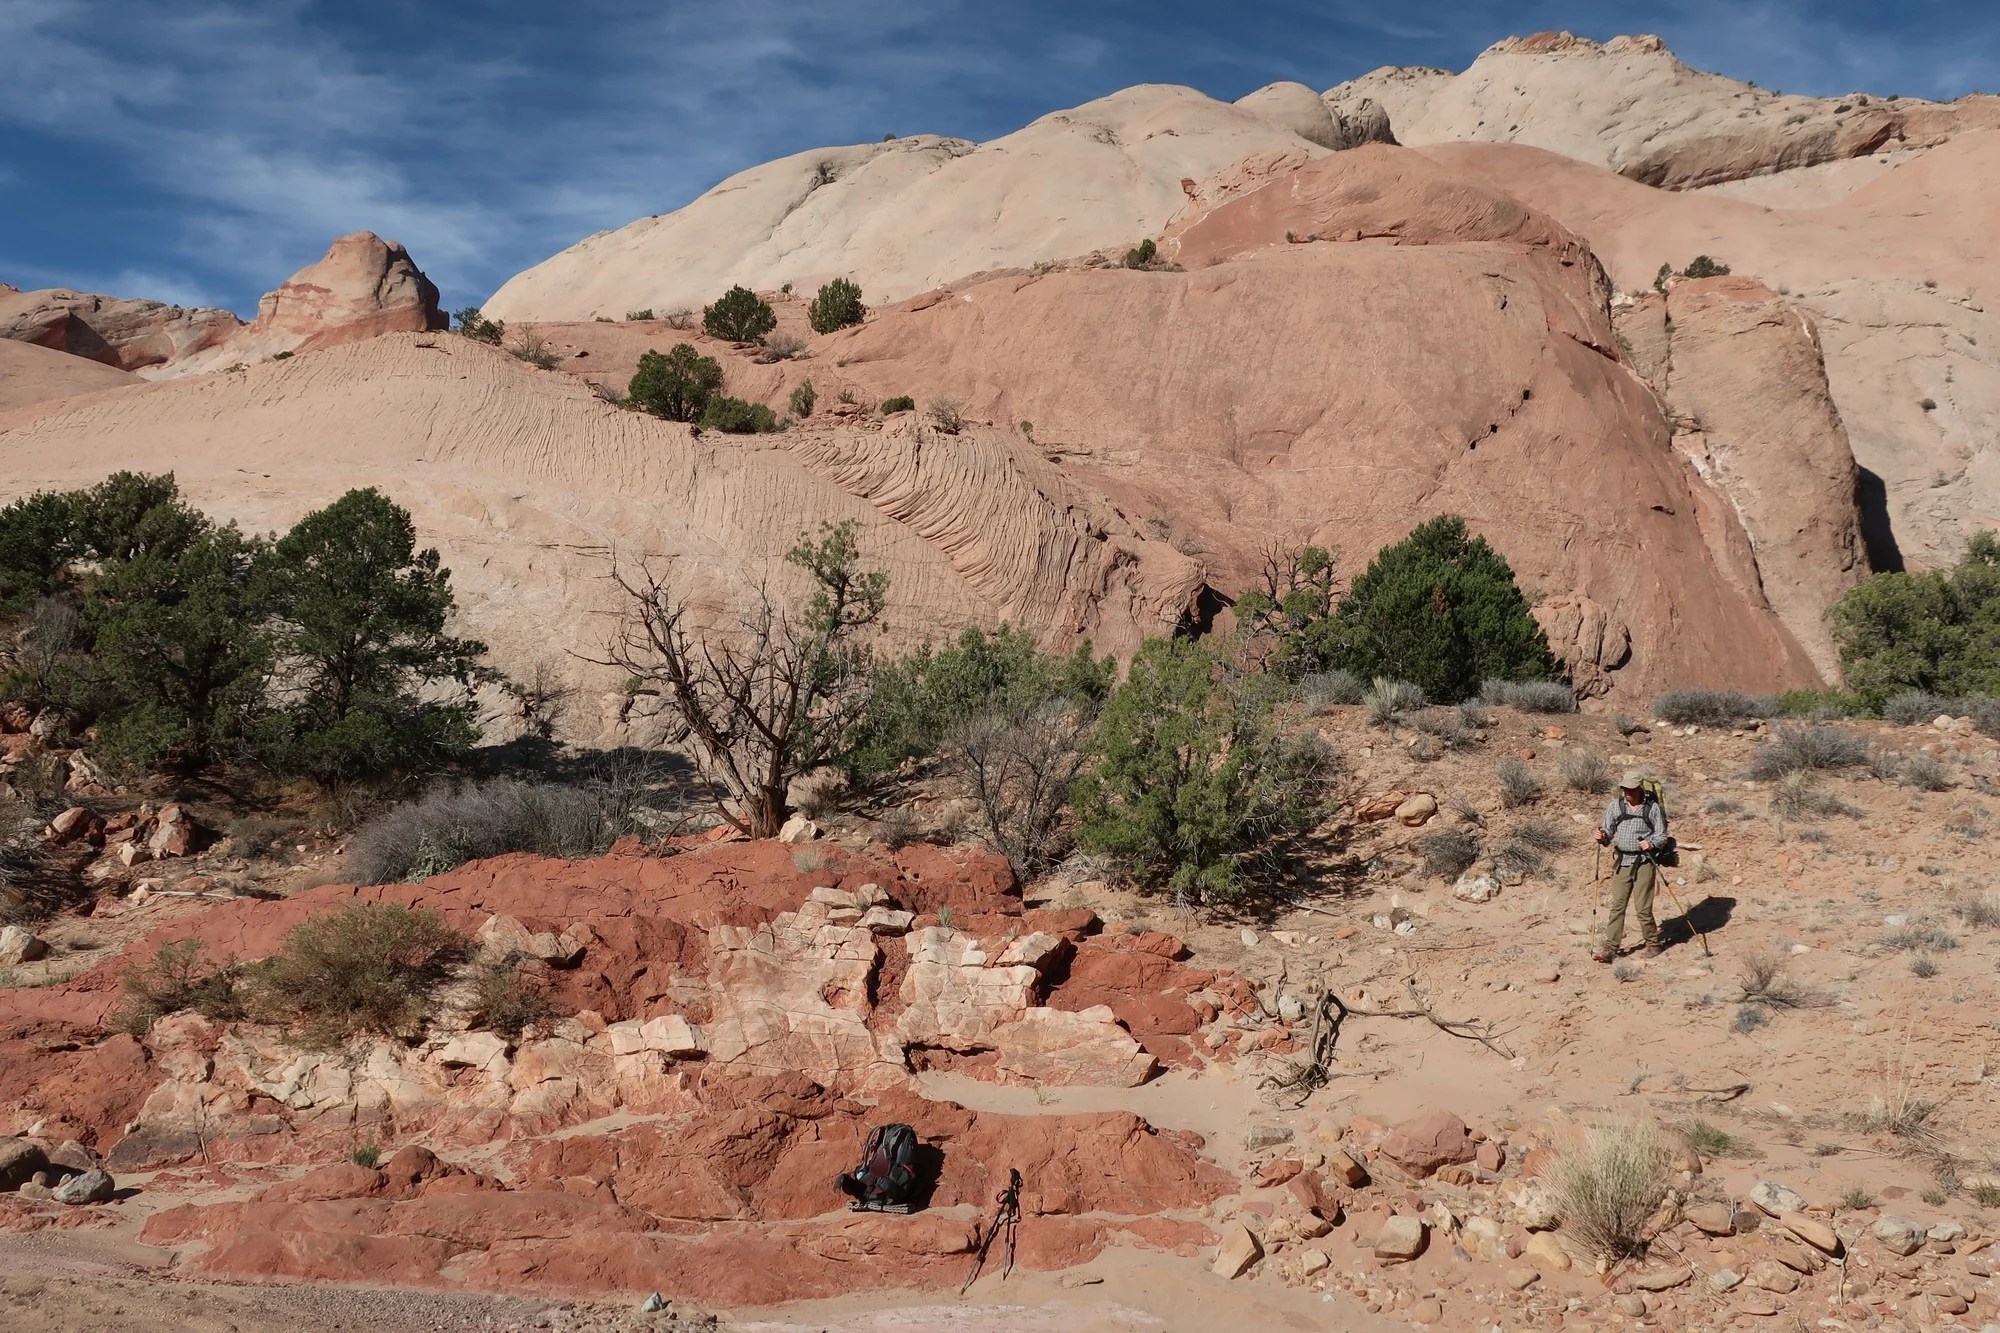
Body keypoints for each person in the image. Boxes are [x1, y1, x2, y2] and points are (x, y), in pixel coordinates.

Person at [1593, 769, 1668, 962]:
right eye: (1624, 789)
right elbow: (1608, 831)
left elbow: (1662, 835)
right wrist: (1602, 836)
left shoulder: (1652, 808)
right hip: (1622, 861)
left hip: (1644, 862)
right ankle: (1611, 948)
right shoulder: (1615, 806)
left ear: (1640, 788)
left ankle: (1653, 943)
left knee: (1643, 908)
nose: (1627, 792)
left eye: (1631, 789)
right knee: (1617, 906)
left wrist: (1651, 844)